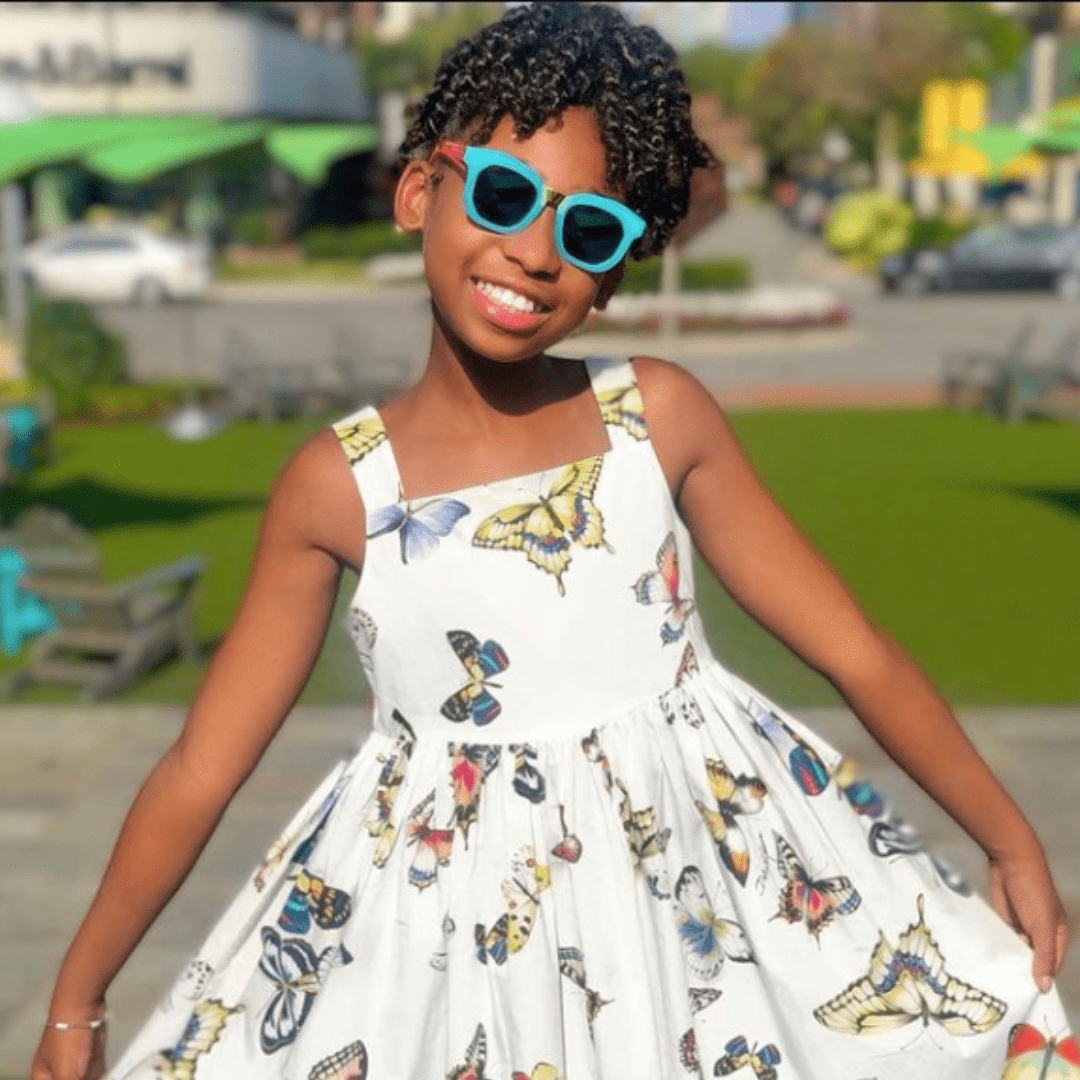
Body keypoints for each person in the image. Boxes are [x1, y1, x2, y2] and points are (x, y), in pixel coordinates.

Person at [32, 5, 1074, 1079]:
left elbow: (854, 649)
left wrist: (1010, 841)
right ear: (418, 192)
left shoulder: (660, 418)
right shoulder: (335, 488)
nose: (533, 252)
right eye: (502, 195)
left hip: (692, 916)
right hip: (448, 950)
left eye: (587, 232)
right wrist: (76, 995)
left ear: (610, 277)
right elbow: (203, 767)